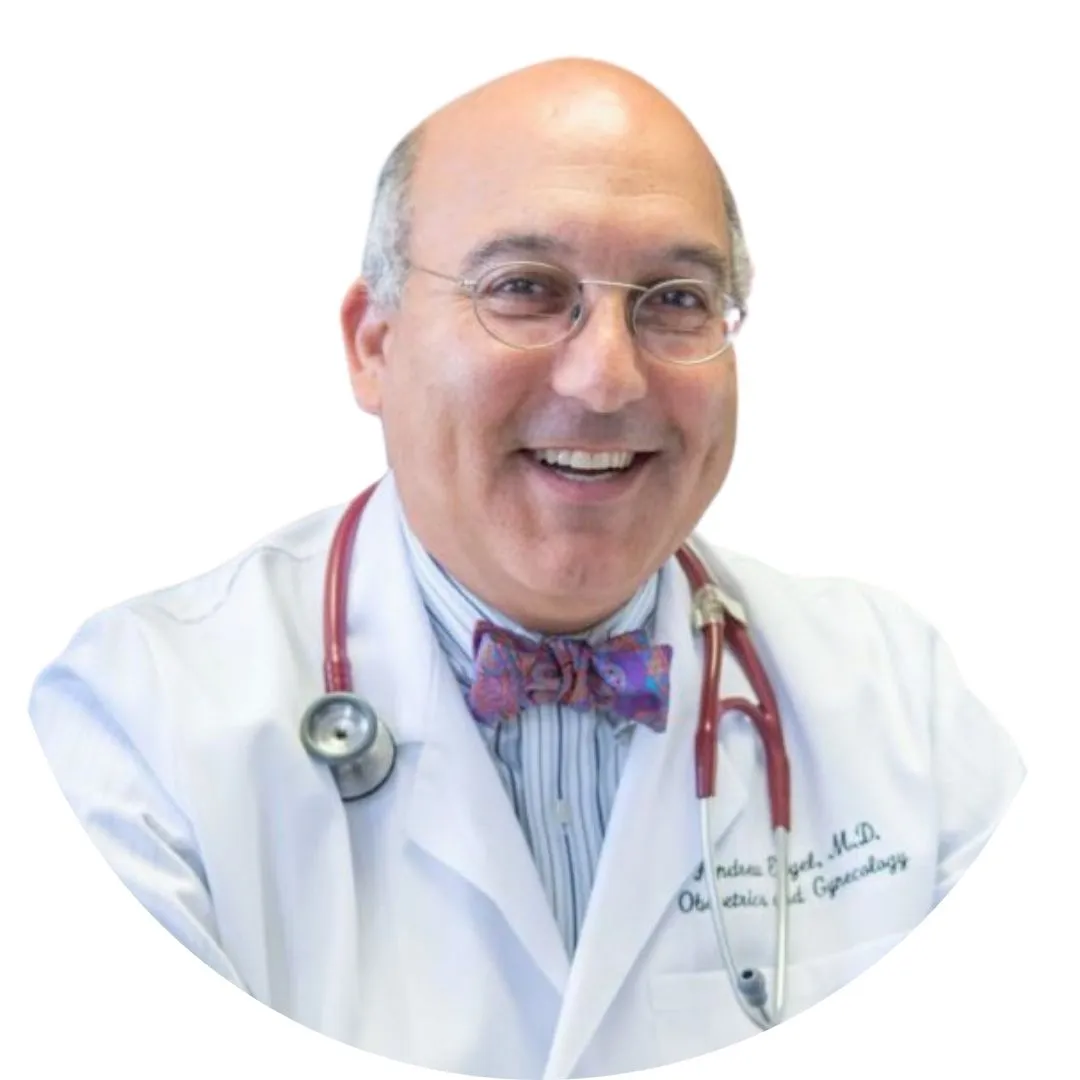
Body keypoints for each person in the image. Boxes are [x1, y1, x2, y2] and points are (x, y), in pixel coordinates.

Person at [27, 57, 1024, 1079]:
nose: (606, 379)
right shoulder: (138, 723)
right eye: (525, 290)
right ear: (373, 346)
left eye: (676, 299)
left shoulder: (899, 701)